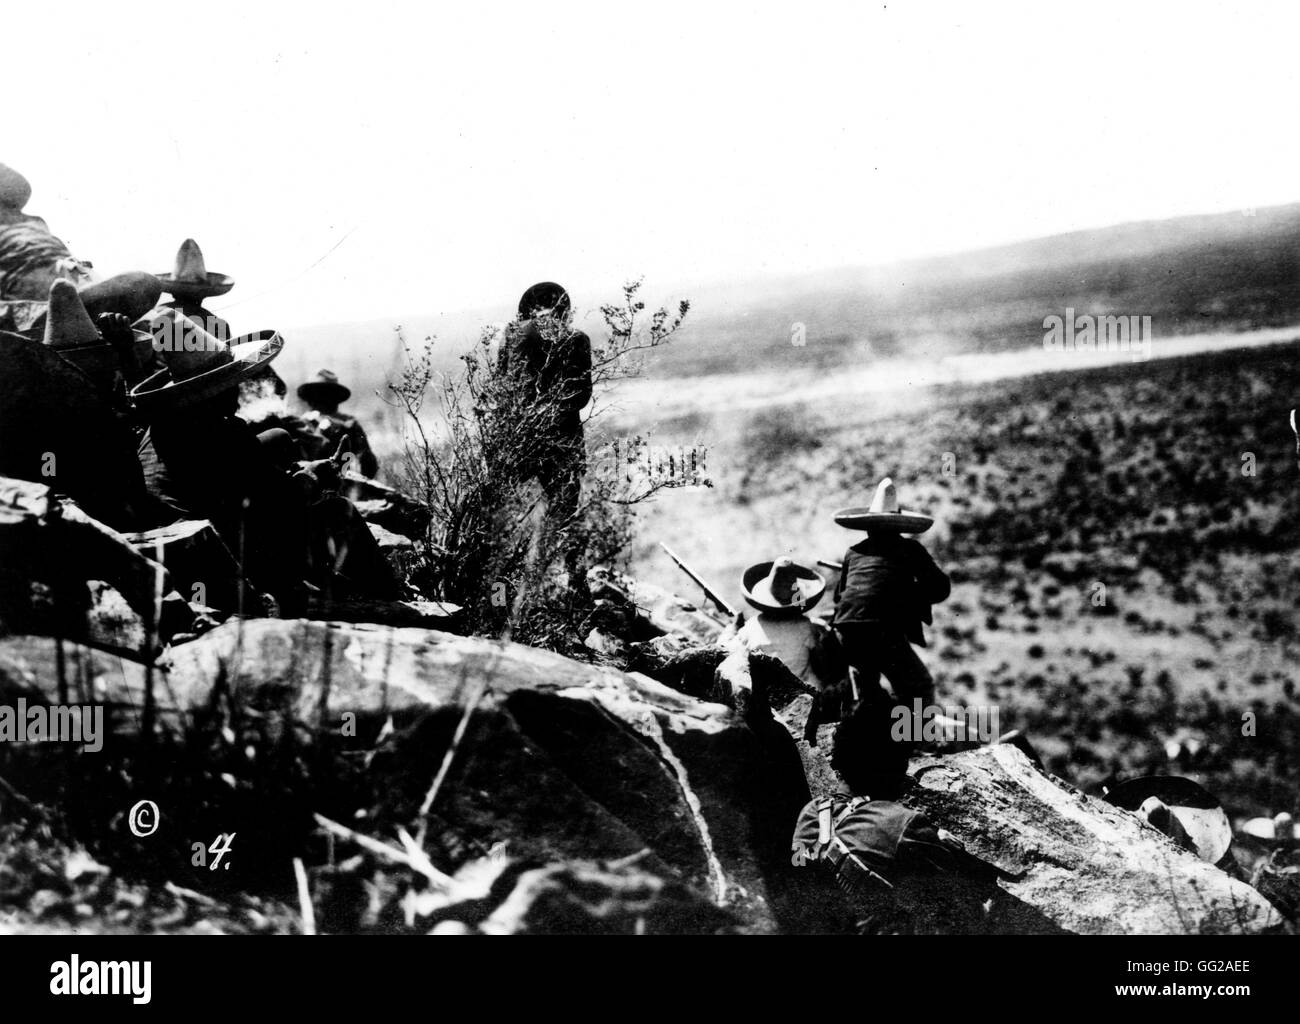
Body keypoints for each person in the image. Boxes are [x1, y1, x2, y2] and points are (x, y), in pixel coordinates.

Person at [131, 311, 398, 613]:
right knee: (337, 512)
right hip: (217, 556)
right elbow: (284, 499)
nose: (238, 392)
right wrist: (314, 478)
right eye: (231, 384)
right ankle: (393, 603)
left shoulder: (160, 429)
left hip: (176, 551)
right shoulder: (222, 431)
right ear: (212, 391)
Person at [497, 281, 593, 587]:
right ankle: (574, 585)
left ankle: (500, 591)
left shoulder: (511, 335)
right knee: (566, 511)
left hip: (517, 438)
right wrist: (551, 416)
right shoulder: (576, 338)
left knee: (506, 518)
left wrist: (525, 420)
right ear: (563, 308)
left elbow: (502, 389)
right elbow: (580, 396)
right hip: (562, 438)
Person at [830, 477, 950, 708]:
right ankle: (916, 741)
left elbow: (840, 597)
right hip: (883, 630)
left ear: (868, 526)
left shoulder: (853, 552)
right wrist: (912, 593)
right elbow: (940, 588)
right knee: (919, 687)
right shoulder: (910, 549)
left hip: (846, 630)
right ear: (897, 525)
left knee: (869, 692)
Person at [0, 162, 160, 321]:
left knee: (140, 284)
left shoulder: (33, 221)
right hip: (30, 285)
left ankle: (63, 315)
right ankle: (45, 317)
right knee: (139, 288)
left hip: (75, 277)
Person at [297, 369, 379, 478]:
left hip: (342, 482)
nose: (324, 397)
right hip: (310, 483)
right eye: (321, 393)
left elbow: (368, 463)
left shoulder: (349, 424)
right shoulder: (302, 423)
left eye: (327, 393)